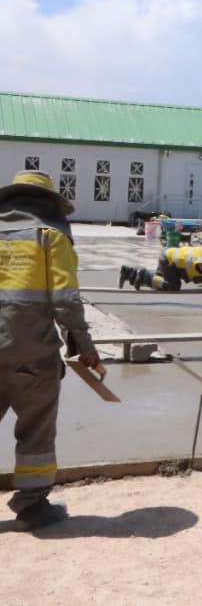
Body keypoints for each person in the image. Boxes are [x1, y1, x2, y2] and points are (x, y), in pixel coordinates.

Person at [0, 170, 101, 530]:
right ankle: (31, 506)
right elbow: (65, 300)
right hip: (32, 355)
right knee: (36, 433)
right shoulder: (51, 236)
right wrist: (84, 346)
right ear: (50, 205)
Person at [117, 247, 202, 310]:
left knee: (159, 280)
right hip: (169, 261)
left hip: (174, 261)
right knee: (172, 287)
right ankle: (141, 273)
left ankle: (129, 272)